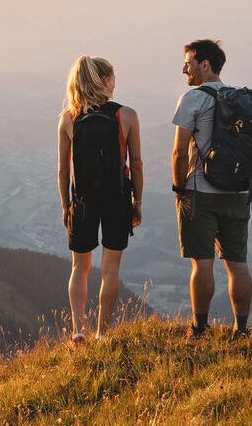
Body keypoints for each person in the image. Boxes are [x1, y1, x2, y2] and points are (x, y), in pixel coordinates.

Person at [56, 55, 145, 344]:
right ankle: (102, 333)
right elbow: (138, 163)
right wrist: (138, 201)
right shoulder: (127, 115)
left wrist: (66, 206)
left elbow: (62, 169)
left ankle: (78, 330)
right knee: (111, 270)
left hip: (82, 202)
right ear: (104, 80)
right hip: (117, 200)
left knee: (79, 268)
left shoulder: (68, 119)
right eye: (112, 78)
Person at [171, 38, 252, 338]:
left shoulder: (192, 99)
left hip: (200, 193)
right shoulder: (240, 99)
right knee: (238, 264)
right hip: (238, 194)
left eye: (189, 63)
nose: (184, 70)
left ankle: (200, 328)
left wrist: (180, 190)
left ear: (205, 65)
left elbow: (179, 152)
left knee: (202, 263)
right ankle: (241, 330)